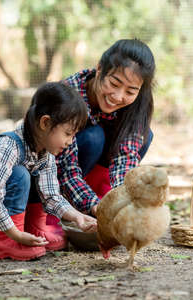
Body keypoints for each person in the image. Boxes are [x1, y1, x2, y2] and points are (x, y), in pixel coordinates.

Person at [0, 82, 97, 261]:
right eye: (68, 133)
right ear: (45, 122)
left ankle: (35, 230)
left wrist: (78, 217)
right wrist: (15, 235)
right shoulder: (8, 147)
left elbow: (51, 196)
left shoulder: (45, 153)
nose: (70, 141)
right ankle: (5, 242)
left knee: (33, 175)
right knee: (20, 174)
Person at [51, 38, 156, 220]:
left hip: (91, 178)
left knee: (145, 135)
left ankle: (104, 199)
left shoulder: (138, 103)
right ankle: (67, 209)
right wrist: (91, 203)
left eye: (130, 92)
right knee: (94, 137)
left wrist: (121, 200)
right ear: (100, 68)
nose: (118, 96)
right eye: (114, 84)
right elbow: (64, 168)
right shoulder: (68, 96)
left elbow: (126, 157)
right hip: (61, 174)